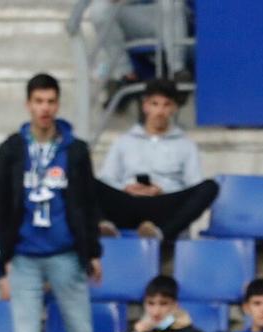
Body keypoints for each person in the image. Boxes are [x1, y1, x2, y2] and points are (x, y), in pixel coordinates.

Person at [0, 74, 101, 332]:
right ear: (28, 104)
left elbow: (88, 203)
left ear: (58, 104)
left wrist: (92, 252)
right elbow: (2, 205)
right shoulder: (11, 149)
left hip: (65, 253)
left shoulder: (75, 150)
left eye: (51, 101)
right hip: (25, 256)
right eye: (39, 101)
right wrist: (6, 254)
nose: (45, 108)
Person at [93, 78, 219, 242]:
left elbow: (193, 185)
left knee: (210, 187)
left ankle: (162, 234)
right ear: (145, 106)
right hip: (127, 202)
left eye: (166, 105)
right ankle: (105, 226)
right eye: (155, 104)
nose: (160, 111)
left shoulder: (186, 145)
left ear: (174, 108)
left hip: (163, 206)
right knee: (83, 179)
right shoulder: (123, 141)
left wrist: (162, 189)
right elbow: (108, 178)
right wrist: (127, 188)